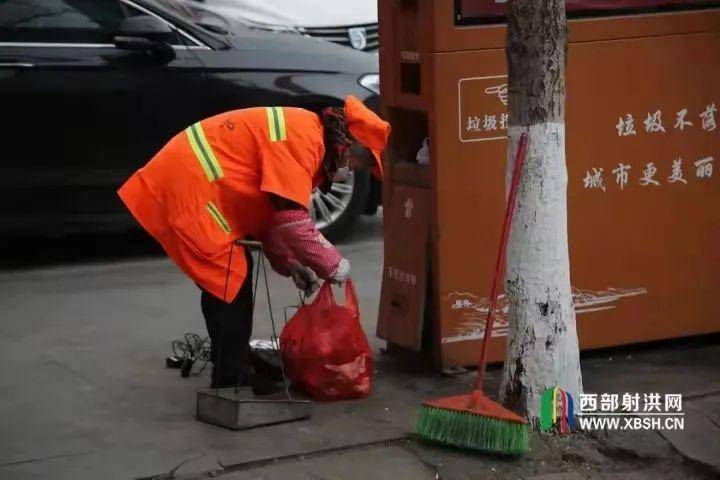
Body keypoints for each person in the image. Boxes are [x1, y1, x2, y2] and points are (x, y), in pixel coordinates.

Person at [118, 96, 390, 390]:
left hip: (198, 184)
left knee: (229, 281)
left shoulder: (309, 135)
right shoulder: (304, 141)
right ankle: (230, 376)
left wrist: (291, 265)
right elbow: (293, 224)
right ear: (348, 144)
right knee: (229, 281)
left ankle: (235, 360)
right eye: (358, 163)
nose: (351, 170)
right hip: (193, 189)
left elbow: (273, 215)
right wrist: (332, 264)